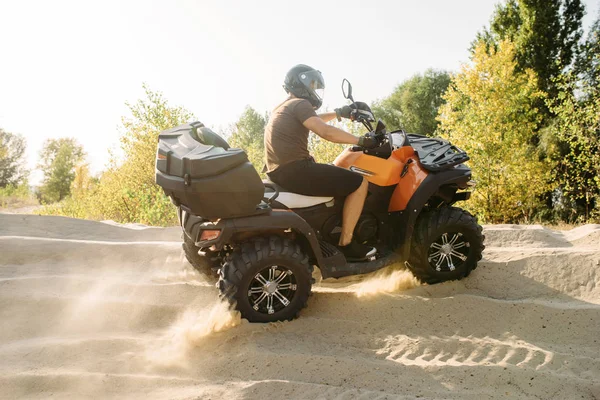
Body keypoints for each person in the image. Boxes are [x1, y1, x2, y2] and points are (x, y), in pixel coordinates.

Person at [264, 64, 378, 260]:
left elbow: (314, 118)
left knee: (335, 173)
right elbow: (325, 131)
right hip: (296, 170)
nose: (315, 90)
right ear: (302, 83)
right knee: (359, 183)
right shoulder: (300, 104)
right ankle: (347, 244)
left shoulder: (284, 107)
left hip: (280, 172)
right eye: (313, 85)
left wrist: (340, 113)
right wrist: (361, 140)